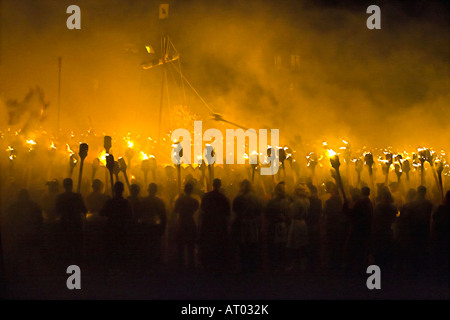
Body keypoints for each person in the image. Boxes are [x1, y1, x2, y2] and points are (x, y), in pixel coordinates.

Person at [5, 189, 43, 280]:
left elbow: (8, 217)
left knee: (18, 253)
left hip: (18, 233)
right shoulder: (34, 206)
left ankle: (16, 272)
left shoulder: (14, 206)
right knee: (29, 253)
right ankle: (31, 272)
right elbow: (40, 220)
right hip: (30, 233)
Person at [199, 179, 231, 273]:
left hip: (209, 224)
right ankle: (218, 263)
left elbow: (203, 209)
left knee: (210, 244)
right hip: (219, 224)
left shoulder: (207, 196)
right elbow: (227, 213)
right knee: (218, 244)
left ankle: (210, 263)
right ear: (220, 185)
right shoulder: (223, 198)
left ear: (212, 185)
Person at [231, 179, 262, 274]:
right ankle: (251, 267)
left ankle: (245, 267)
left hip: (244, 224)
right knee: (251, 245)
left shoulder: (238, 198)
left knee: (244, 246)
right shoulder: (255, 198)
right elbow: (259, 212)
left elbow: (235, 211)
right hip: (249, 224)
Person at [100, 181, 132, 272]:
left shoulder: (110, 202)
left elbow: (102, 213)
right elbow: (130, 215)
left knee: (112, 248)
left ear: (114, 190)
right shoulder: (125, 202)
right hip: (121, 228)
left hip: (112, 227)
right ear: (122, 190)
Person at [55, 178, 87, 266]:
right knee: (77, 246)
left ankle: (66, 264)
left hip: (65, 223)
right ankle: (78, 265)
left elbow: (57, 211)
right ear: (72, 185)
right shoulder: (77, 196)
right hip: (76, 223)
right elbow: (84, 210)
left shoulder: (61, 197)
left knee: (66, 245)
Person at [344, 186, 373, 275]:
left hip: (358, 230)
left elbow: (353, 213)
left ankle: (357, 269)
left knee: (356, 249)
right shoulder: (369, 202)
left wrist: (345, 207)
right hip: (366, 229)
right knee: (363, 249)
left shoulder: (361, 202)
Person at [140, 183, 167, 268]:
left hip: (146, 226)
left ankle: (148, 263)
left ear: (148, 190)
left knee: (147, 245)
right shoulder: (159, 201)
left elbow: (139, 214)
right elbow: (163, 216)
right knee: (155, 246)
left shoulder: (143, 200)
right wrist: (163, 227)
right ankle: (154, 263)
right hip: (154, 227)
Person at [265, 182, 290, 273]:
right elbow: (267, 214)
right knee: (276, 246)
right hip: (275, 227)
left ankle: (279, 265)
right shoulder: (272, 202)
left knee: (281, 246)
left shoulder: (287, 202)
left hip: (281, 227)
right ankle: (276, 265)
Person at [173, 182, 199, 270]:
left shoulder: (180, 200)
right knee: (190, 246)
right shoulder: (194, 201)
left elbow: (175, 210)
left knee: (181, 246)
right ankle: (191, 265)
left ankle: (181, 265)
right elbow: (196, 209)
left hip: (182, 222)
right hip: (190, 223)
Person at [323, 181, 347, 272]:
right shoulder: (340, 200)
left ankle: (334, 264)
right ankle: (338, 264)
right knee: (338, 246)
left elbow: (325, 212)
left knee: (333, 246)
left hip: (332, 226)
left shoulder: (329, 201)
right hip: (338, 226)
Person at [286, 183, 310, 273]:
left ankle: (296, 265)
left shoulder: (297, 202)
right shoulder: (307, 200)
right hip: (303, 223)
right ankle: (302, 265)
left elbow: (292, 213)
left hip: (296, 224)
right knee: (302, 244)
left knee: (296, 245)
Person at [372, 188, 397, 272]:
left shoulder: (379, 207)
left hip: (381, 233)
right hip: (386, 232)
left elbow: (374, 219)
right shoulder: (392, 208)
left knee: (382, 253)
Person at [410, 185, 433, 272]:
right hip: (423, 229)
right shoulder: (429, 203)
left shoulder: (414, 204)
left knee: (418, 249)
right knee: (422, 249)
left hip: (418, 229)